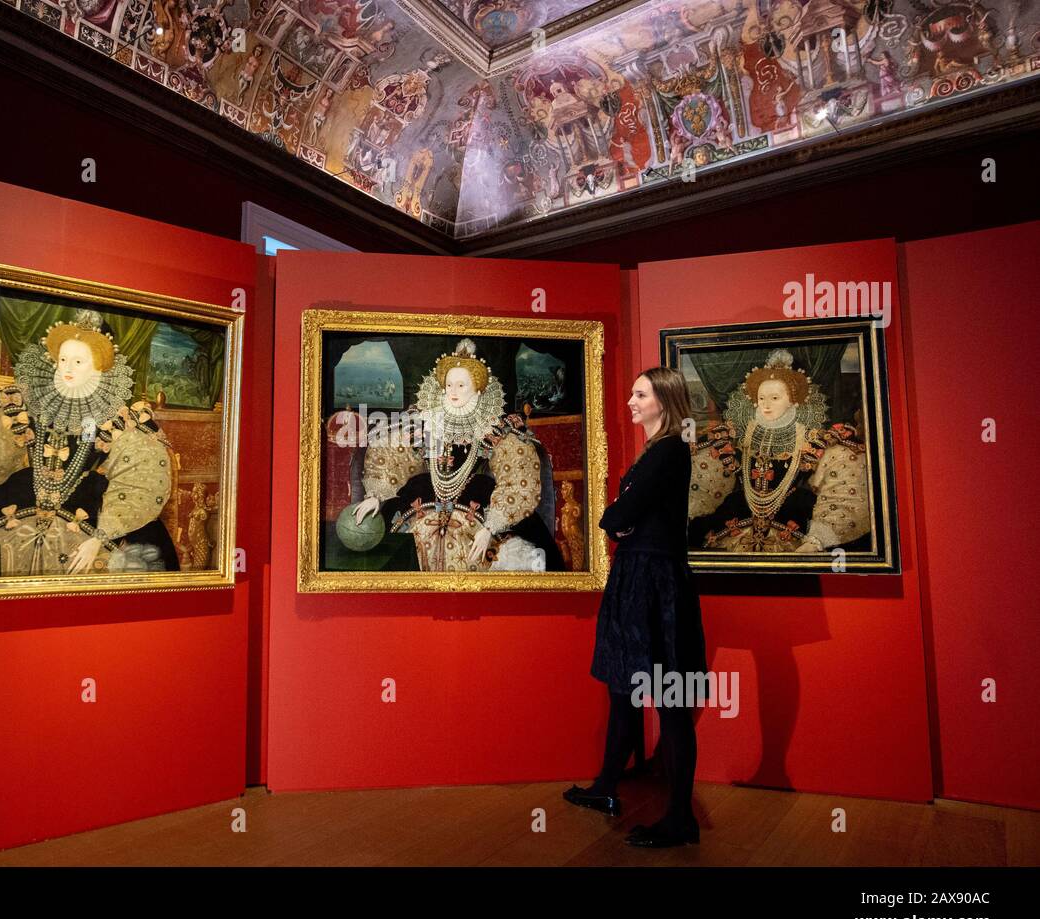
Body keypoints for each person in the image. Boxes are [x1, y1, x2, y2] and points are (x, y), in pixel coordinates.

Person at [0, 309, 179, 575]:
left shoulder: (120, 419)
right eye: (63, 359)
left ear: (99, 368)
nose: (68, 368)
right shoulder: (26, 403)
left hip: (92, 505)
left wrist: (100, 536)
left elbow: (138, 478)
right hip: (19, 493)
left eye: (79, 361)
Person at [563, 367, 707, 848]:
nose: (630, 400)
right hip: (640, 578)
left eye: (639, 394)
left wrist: (617, 518)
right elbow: (624, 517)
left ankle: (680, 819)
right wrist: (621, 520)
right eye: (632, 393)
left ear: (663, 402)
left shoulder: (668, 450)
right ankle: (607, 787)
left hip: (654, 583)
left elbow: (618, 514)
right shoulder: (656, 451)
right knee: (624, 690)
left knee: (669, 701)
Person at [353, 338, 564, 572]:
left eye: (461, 385)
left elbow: (516, 474)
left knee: (499, 554)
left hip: (480, 501)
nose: (453, 391)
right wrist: (377, 494)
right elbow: (394, 454)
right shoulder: (424, 421)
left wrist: (491, 527)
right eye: (449, 385)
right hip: (423, 497)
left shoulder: (496, 428)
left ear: (477, 388)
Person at [688, 349, 869, 554]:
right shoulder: (735, 439)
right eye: (761, 398)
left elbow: (841, 486)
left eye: (775, 398)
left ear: (793, 400)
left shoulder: (814, 441)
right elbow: (706, 483)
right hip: (736, 520)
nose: (766, 405)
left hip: (794, 522)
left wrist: (817, 539)